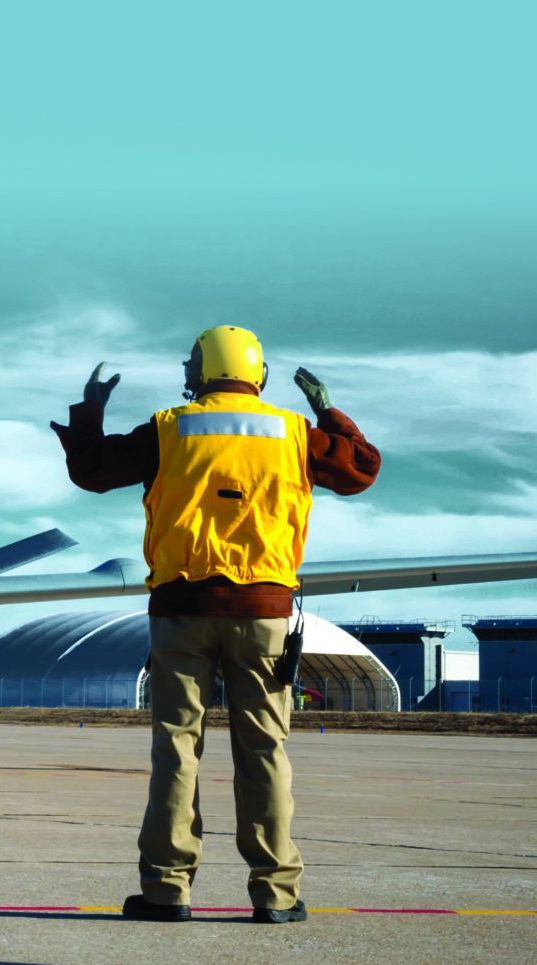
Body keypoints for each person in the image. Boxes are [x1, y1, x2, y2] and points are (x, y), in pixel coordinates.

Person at [50, 325, 380, 924]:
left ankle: (166, 890)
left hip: (181, 609)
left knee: (176, 747)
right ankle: (276, 893)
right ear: (259, 375)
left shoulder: (168, 428)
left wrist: (91, 409)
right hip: (262, 612)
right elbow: (360, 470)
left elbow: (92, 472)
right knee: (265, 750)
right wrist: (329, 411)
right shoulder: (293, 433)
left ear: (199, 371)